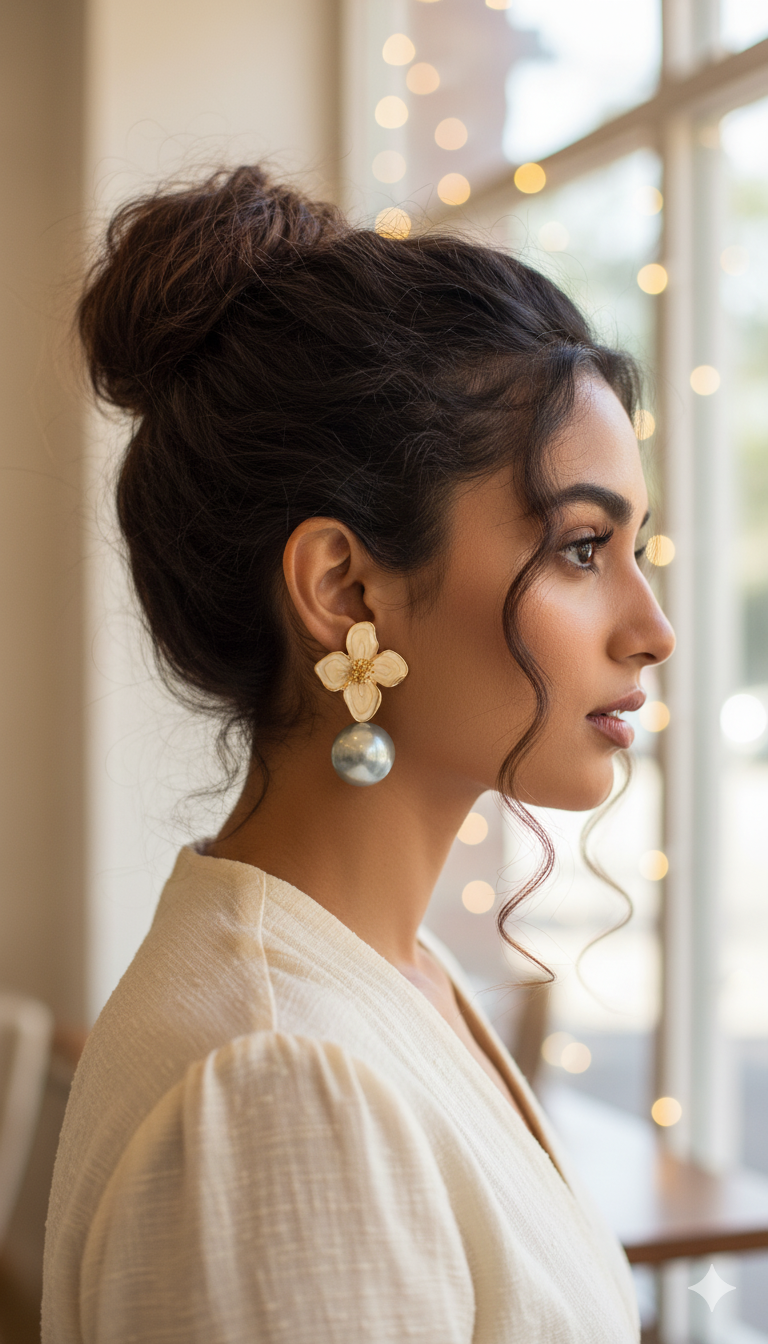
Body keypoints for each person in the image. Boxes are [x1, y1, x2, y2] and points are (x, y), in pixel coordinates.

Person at [42, 165, 674, 1343]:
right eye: (584, 549)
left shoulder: (389, 977)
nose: (653, 629)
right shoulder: (281, 1089)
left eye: (636, 548)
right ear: (344, 588)